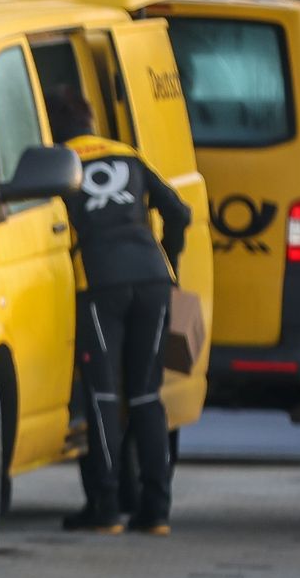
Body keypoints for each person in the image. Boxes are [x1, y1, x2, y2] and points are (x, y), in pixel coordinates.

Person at [46, 87, 192, 537]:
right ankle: (157, 511)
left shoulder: (57, 163)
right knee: (148, 395)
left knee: (104, 394)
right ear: (91, 119)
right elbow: (180, 212)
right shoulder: (128, 155)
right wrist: (167, 258)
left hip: (100, 283)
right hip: (153, 279)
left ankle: (105, 507)